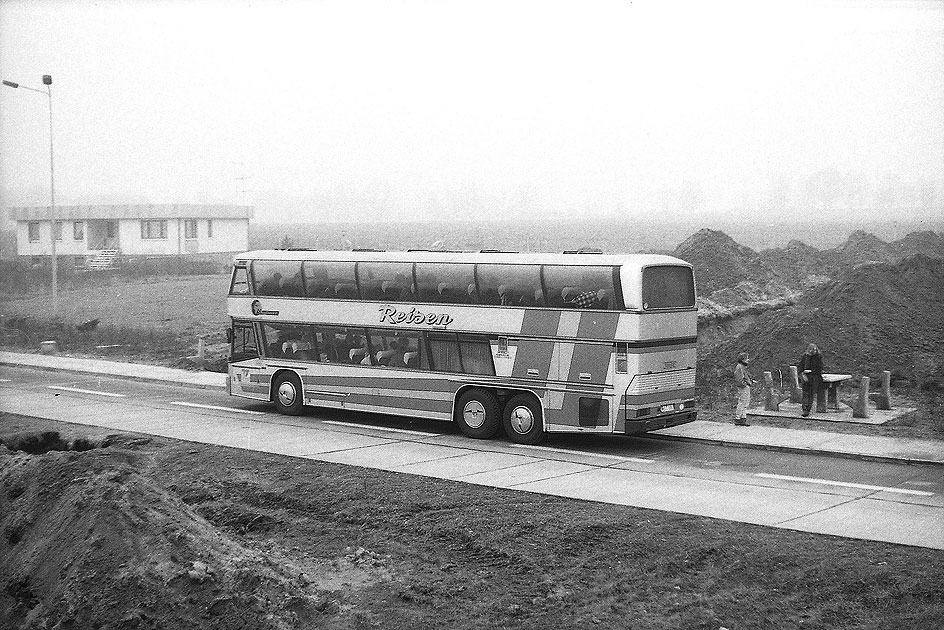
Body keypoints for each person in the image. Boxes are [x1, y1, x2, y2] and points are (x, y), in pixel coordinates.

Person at [797, 343, 825, 416]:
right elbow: (800, 366)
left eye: (815, 350)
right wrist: (802, 373)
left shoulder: (818, 357)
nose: (813, 352)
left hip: (814, 378)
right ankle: (804, 409)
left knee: (811, 394)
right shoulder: (805, 356)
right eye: (812, 350)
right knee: (805, 394)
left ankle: (808, 409)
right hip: (805, 377)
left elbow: (820, 368)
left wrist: (811, 371)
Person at [733, 352, 756, 426]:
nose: (748, 360)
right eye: (746, 358)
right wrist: (745, 385)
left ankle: (742, 418)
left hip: (745, 387)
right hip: (743, 387)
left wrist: (750, 381)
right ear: (743, 359)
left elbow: (745, 377)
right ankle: (738, 418)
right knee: (742, 402)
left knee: (745, 403)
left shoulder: (742, 367)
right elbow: (739, 379)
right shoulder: (739, 367)